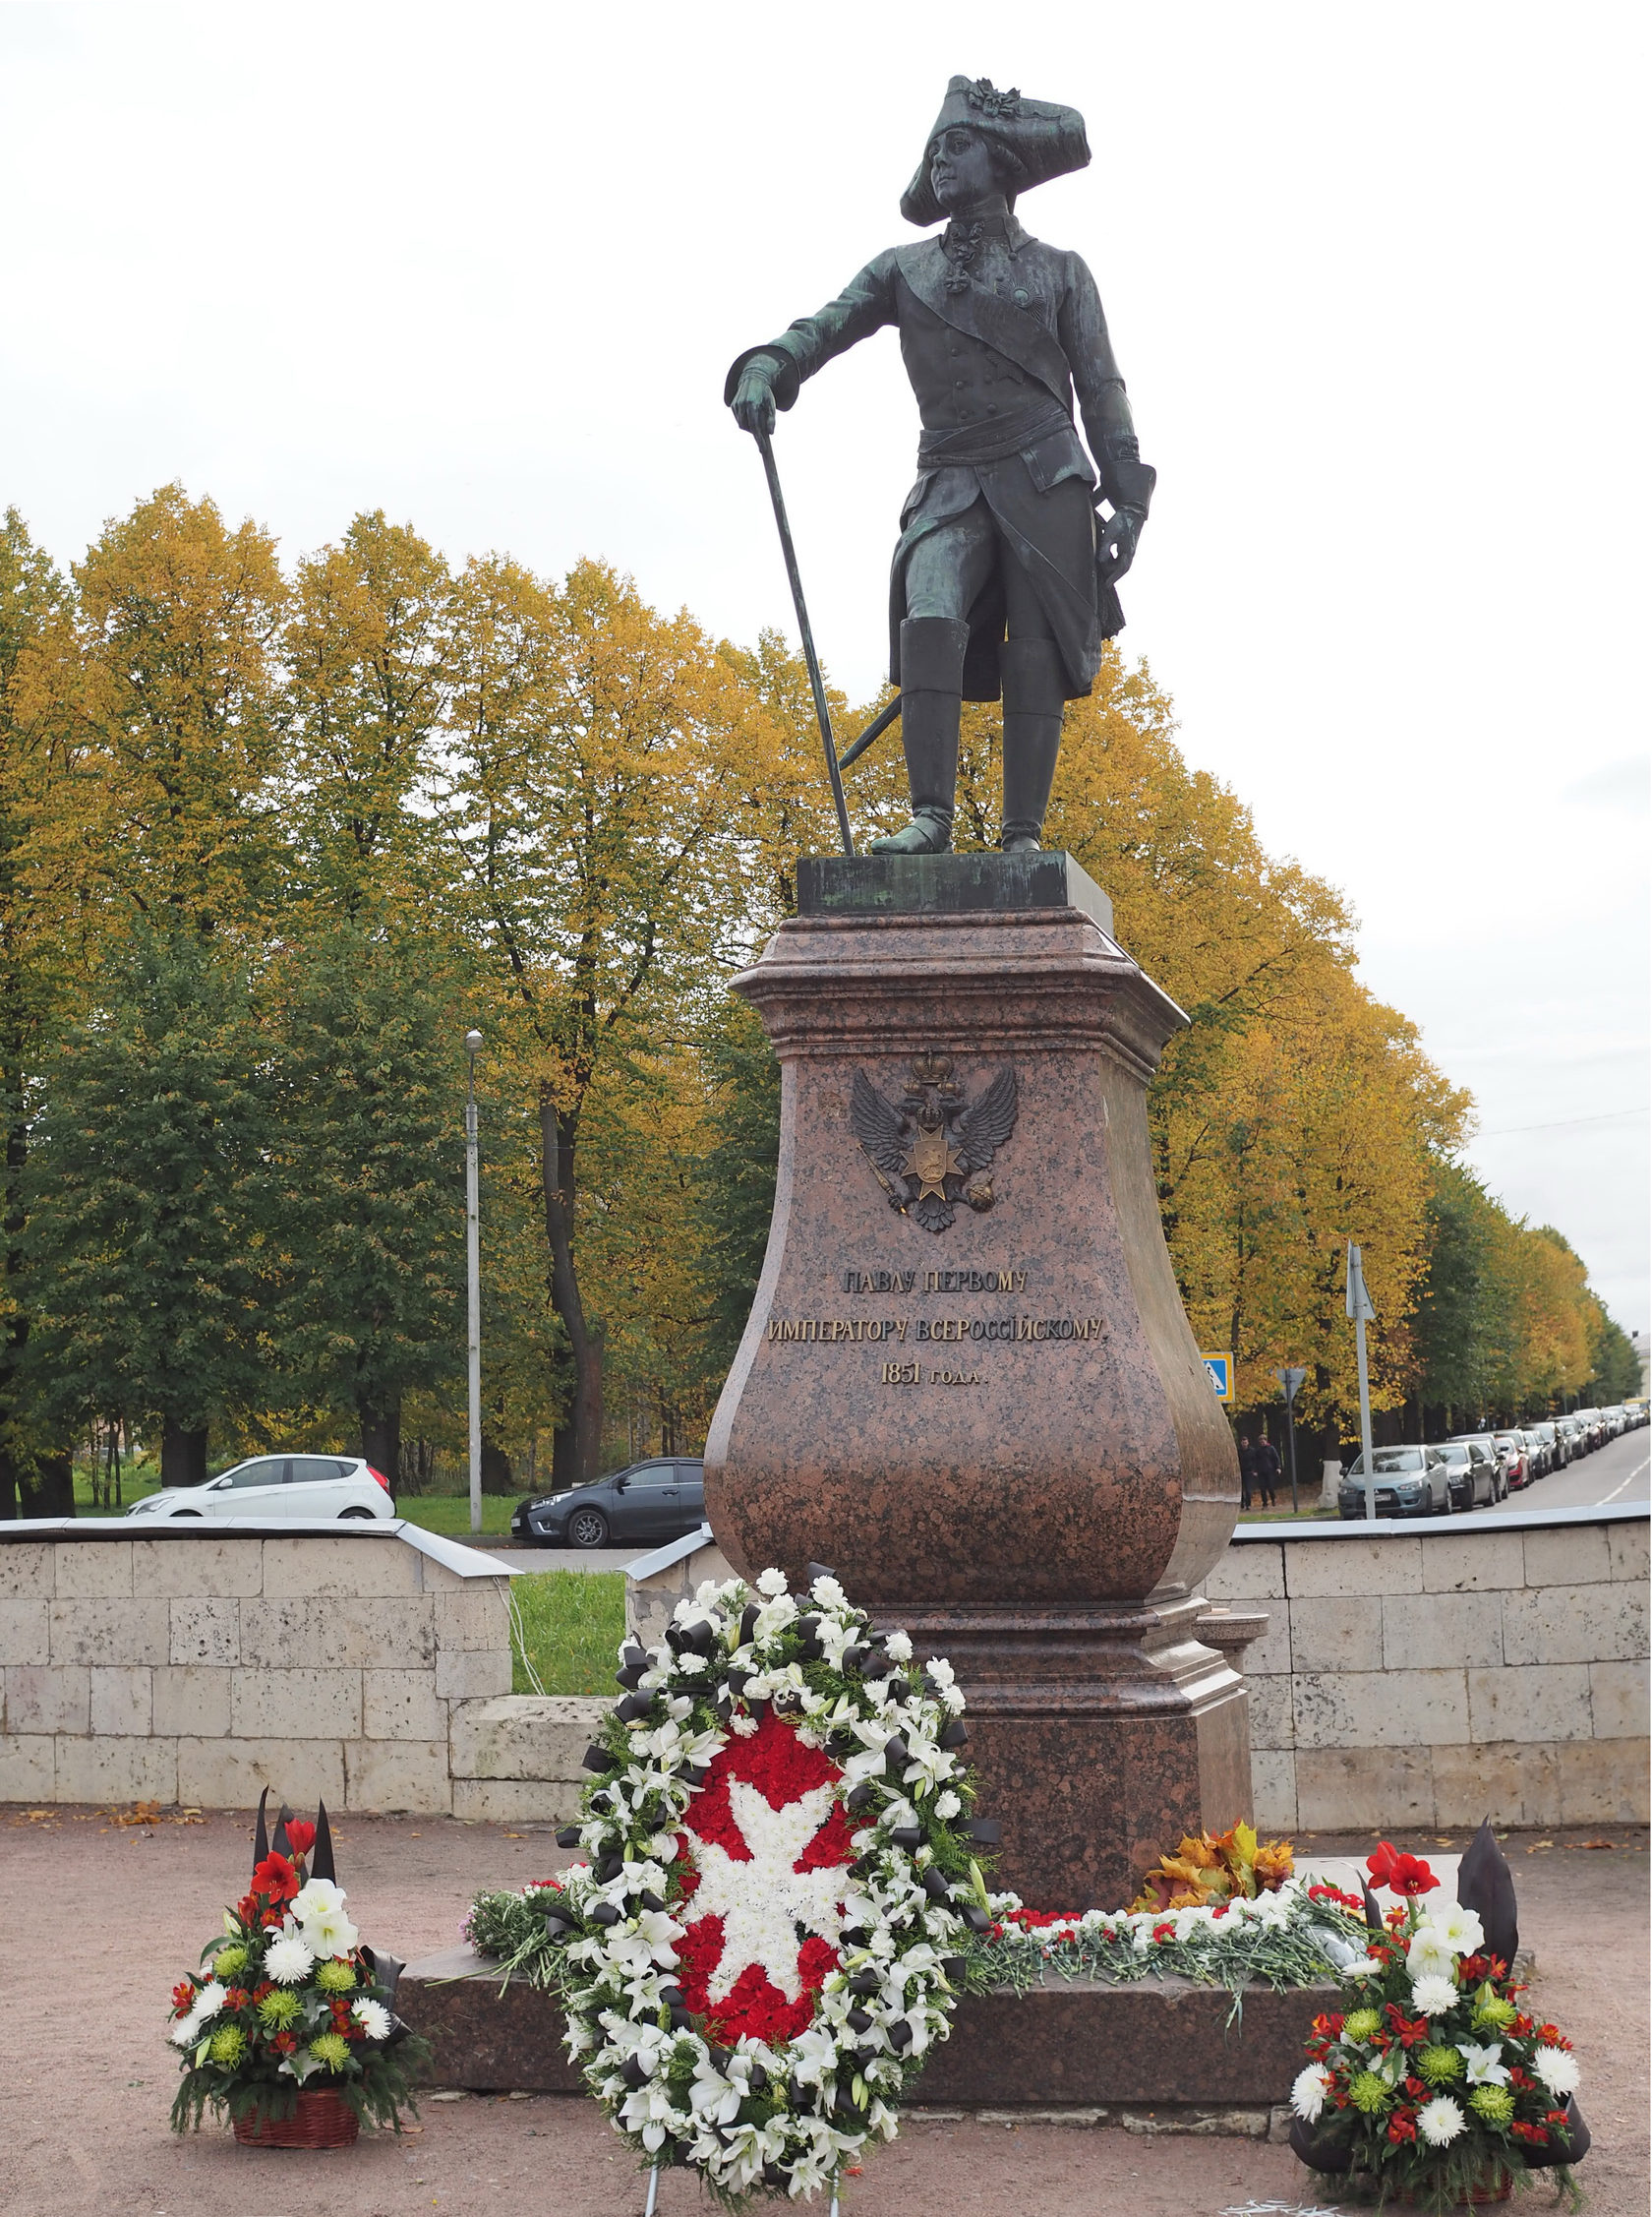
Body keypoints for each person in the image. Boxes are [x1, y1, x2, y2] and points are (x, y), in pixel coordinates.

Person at [728, 76, 1154, 857]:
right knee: (928, 612)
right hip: (950, 478)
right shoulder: (902, 268)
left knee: (1034, 647)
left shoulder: (1062, 271)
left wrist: (1128, 504)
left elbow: (1102, 388)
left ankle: (1022, 836)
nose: (939, 164)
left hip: (1045, 477)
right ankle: (932, 818)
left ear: (1000, 160)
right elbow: (825, 326)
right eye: (933, 153)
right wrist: (769, 365)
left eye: (955, 146)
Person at [1254, 1434, 1283, 1509]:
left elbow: (1276, 1458)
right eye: (1260, 1442)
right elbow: (1255, 1461)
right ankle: (1265, 1503)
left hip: (1270, 1471)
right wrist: (1255, 1470)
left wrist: (1278, 1467)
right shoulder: (1258, 1451)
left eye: (1263, 1441)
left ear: (1266, 1441)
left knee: (1270, 1487)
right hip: (1261, 1472)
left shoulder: (1271, 1448)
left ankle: (1273, 1499)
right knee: (1262, 1488)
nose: (1262, 1443)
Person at [1237, 1434, 1258, 1512]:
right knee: (1240, 1490)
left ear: (1248, 1443)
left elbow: (1255, 1461)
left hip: (1249, 1472)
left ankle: (1248, 1504)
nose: (1244, 1444)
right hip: (1240, 1472)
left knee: (1248, 1490)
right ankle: (1242, 1503)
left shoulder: (1252, 1451)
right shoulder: (1238, 1451)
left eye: (1245, 1442)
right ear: (1241, 1443)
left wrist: (1255, 1470)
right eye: (1243, 1442)